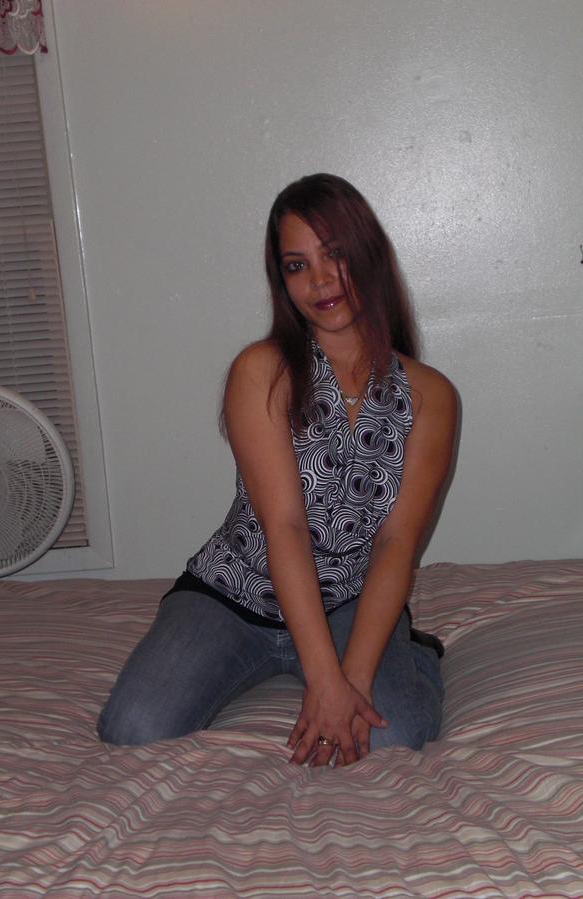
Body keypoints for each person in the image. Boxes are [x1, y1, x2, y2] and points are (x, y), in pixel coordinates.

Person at [97, 173, 457, 767]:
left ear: (370, 256)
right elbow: (283, 525)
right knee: (134, 727)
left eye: (335, 255)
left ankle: (415, 651)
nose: (319, 280)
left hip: (349, 598)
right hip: (236, 592)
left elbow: (397, 541)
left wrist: (351, 680)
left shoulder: (430, 396)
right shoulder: (262, 371)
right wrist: (324, 681)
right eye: (296, 265)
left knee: (395, 735)